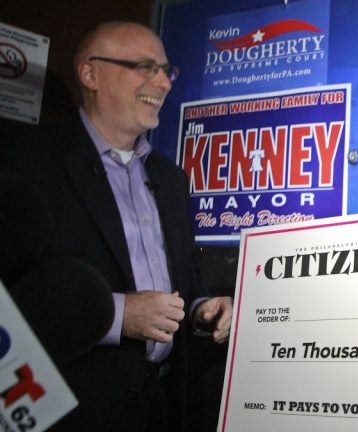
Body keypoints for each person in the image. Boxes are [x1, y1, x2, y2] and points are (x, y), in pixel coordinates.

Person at [0, 21, 233, 431]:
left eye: (166, 71)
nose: (162, 83)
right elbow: (13, 299)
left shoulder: (172, 179)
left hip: (163, 409)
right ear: (90, 74)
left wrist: (202, 310)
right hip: (70, 412)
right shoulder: (25, 162)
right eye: (144, 67)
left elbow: (186, 281)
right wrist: (118, 315)